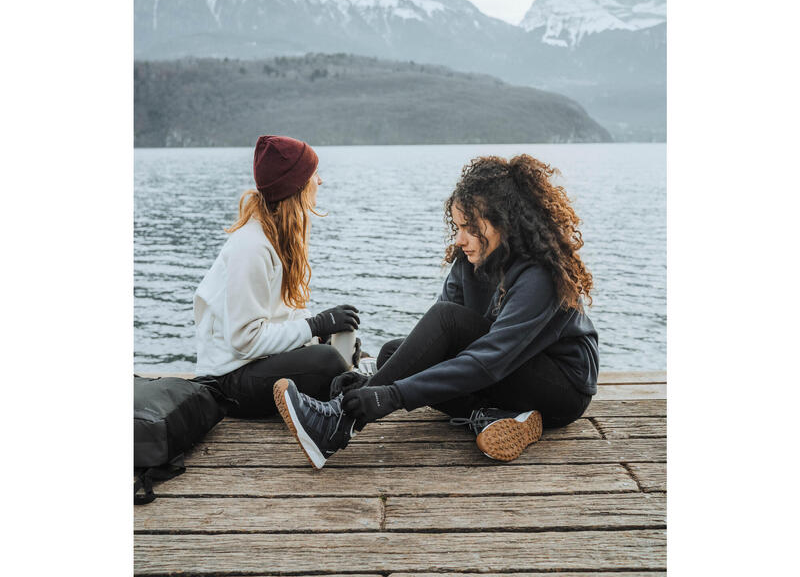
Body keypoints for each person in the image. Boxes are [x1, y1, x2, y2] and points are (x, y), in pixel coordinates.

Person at [273, 154, 599, 468]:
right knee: (393, 355)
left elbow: (486, 358)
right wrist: (368, 384)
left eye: (470, 227)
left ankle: (340, 423)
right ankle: (495, 416)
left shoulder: (539, 276)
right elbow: (435, 343)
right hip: (503, 370)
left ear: (505, 223)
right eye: (457, 227)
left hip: (560, 387)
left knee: (432, 336)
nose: (460, 239)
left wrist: (387, 396)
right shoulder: (471, 263)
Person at [193, 134, 361, 417]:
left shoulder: (275, 236)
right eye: (313, 174)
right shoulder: (251, 246)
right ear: (296, 185)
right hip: (224, 383)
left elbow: (281, 317)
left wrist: (318, 337)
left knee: (331, 356)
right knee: (326, 363)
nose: (320, 181)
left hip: (251, 365)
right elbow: (244, 340)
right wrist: (315, 325)